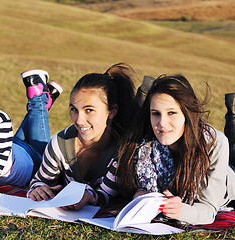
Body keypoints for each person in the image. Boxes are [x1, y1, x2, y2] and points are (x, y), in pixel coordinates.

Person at [117, 74, 235, 225]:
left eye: (171, 113)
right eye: (156, 113)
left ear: (187, 113)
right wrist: (138, 194)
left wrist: (181, 211)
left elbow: (209, 210)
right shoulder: (143, 143)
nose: (162, 123)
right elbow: (127, 184)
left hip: (227, 187)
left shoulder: (213, 143)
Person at [27, 63, 136, 210]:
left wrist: (87, 197)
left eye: (89, 110)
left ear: (112, 111)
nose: (79, 120)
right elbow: (39, 181)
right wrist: (38, 189)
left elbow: (106, 196)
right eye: (74, 109)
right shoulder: (60, 144)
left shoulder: (121, 150)